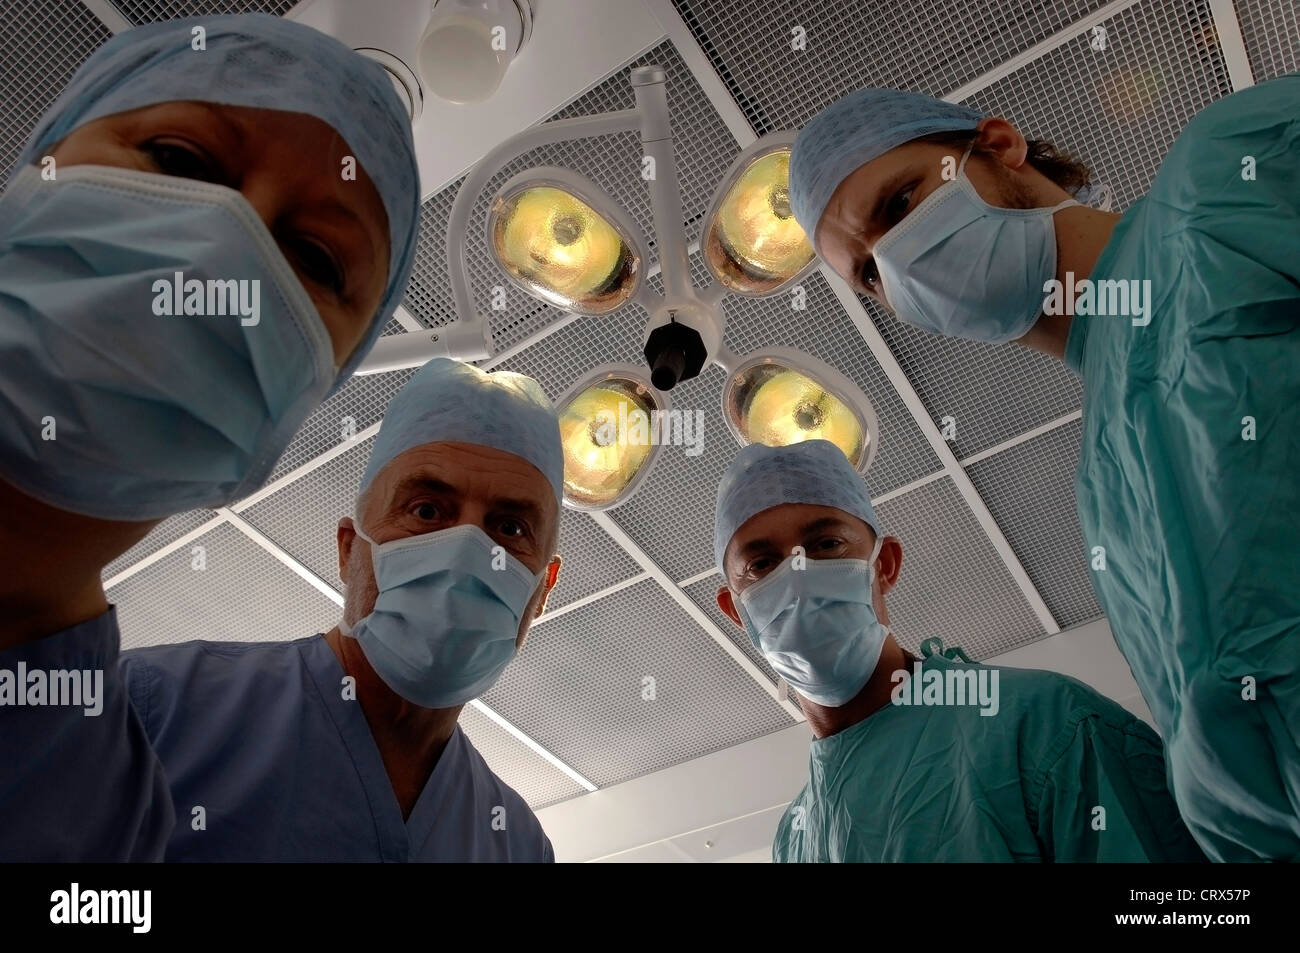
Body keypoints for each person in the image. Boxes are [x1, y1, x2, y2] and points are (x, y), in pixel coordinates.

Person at [787, 79, 1300, 861]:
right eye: (867, 274)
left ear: (999, 146)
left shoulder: (1229, 172)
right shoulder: (1105, 491)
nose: (897, 264)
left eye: (900, 204)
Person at [0, 14, 419, 860]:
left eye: (316, 258)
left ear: (306, 396)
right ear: (32, 170)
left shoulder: (108, 836)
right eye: (179, 160)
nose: (226, 252)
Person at [118, 358, 563, 861]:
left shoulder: (516, 844)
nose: (465, 551)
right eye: (425, 510)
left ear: (542, 590)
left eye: (510, 529)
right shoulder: (150, 710)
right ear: (350, 549)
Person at [714, 439, 1206, 862]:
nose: (797, 576)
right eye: (761, 564)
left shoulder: (1046, 725)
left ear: (883, 564)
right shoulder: (795, 839)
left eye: (824, 544)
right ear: (735, 611)